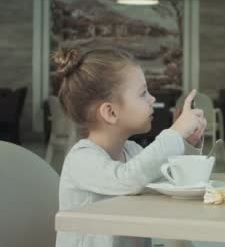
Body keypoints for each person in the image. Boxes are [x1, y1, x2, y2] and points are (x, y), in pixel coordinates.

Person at [54, 48, 207, 247]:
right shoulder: (80, 160)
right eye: (143, 93)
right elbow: (127, 179)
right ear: (110, 112)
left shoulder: (132, 151)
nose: (152, 99)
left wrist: (188, 142)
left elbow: (171, 178)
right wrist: (175, 133)